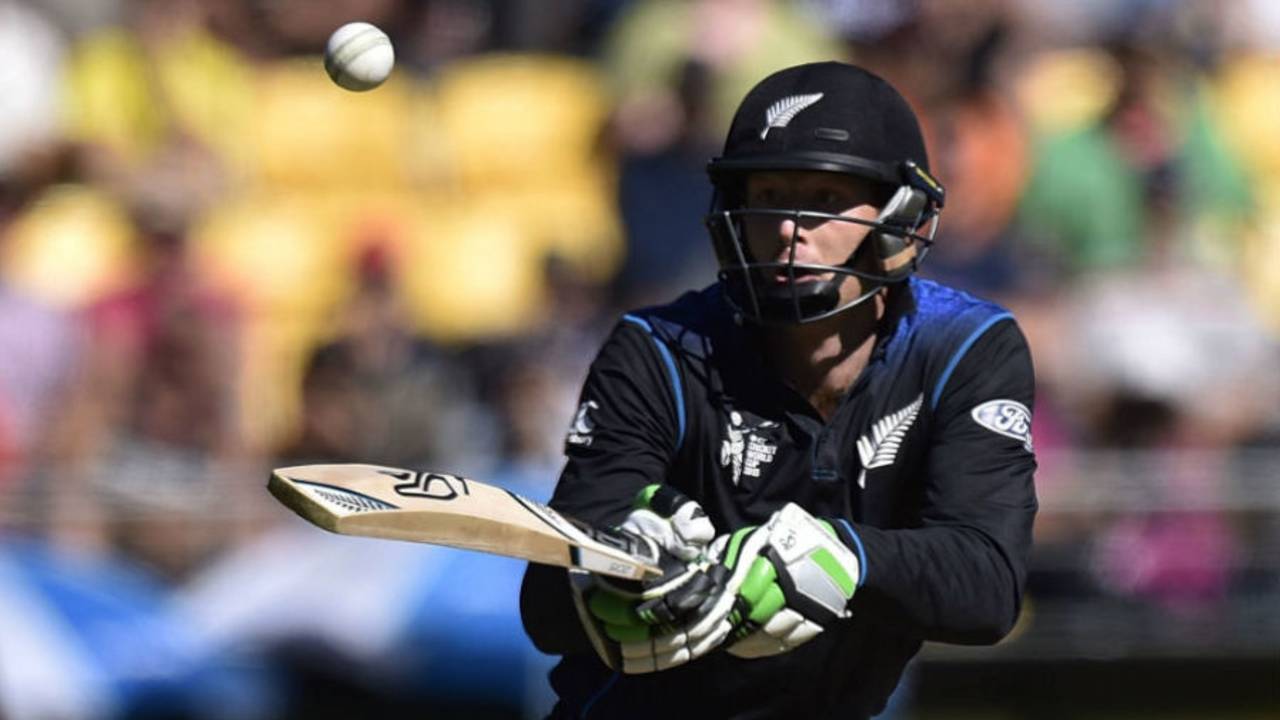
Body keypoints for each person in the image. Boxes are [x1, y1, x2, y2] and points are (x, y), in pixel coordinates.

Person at [519, 61, 1038, 720]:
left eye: (824, 200)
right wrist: (629, 573)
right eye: (767, 196)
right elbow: (546, 608)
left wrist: (843, 556)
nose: (789, 227)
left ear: (898, 216)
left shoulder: (963, 348)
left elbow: (987, 586)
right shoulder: (659, 349)